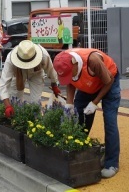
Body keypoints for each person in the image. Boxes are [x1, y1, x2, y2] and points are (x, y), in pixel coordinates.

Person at [53, 48, 121, 178]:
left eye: (68, 73)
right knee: (80, 117)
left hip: (109, 82)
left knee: (109, 121)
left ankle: (112, 163)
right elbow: (70, 81)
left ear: (74, 63)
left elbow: (109, 81)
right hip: (88, 83)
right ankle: (80, 152)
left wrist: (95, 103)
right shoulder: (64, 60)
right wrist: (69, 103)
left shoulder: (93, 61)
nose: (67, 76)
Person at [0, 40, 60, 118]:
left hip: (36, 73)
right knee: (15, 99)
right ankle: (17, 119)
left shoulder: (43, 55)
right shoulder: (10, 59)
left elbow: (50, 70)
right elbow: (3, 84)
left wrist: (54, 84)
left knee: (36, 101)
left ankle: (35, 121)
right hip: (18, 73)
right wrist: (7, 106)